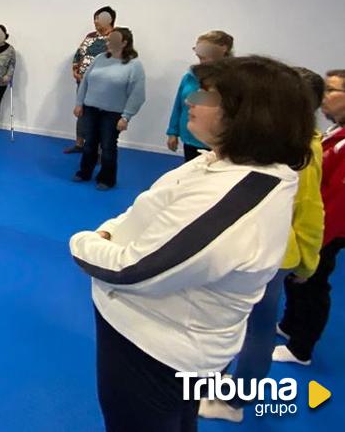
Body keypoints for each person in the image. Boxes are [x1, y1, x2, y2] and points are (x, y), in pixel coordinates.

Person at [70, 56, 314, 432]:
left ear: (246, 115)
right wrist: (112, 231)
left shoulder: (234, 198)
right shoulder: (218, 163)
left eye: (206, 96)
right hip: (159, 335)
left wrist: (83, 241)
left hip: (157, 349)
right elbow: (146, 211)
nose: (190, 101)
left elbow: (132, 268)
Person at [199, 66, 324, 423]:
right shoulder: (272, 144)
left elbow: (311, 211)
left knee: (256, 326)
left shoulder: (303, 151)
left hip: (271, 254)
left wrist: (308, 263)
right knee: (240, 320)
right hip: (246, 247)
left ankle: (233, 402)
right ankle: (217, 384)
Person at [275, 68, 345, 366]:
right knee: (295, 282)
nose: (323, 98)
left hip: (327, 229)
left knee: (313, 284)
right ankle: (290, 325)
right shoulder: (334, 132)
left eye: (331, 91)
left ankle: (301, 348)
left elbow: (335, 200)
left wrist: (313, 244)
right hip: (314, 224)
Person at [73, 27, 145, 190]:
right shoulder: (99, 58)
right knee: (89, 143)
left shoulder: (134, 66)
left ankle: (106, 179)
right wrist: (79, 103)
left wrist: (126, 117)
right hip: (90, 108)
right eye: (107, 40)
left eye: (112, 40)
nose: (108, 43)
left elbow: (137, 95)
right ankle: (85, 172)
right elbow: (85, 82)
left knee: (108, 146)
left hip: (113, 114)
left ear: (124, 43)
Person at [167, 31, 234, 161]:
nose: (199, 54)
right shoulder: (190, 76)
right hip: (190, 139)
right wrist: (172, 132)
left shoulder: (232, 79)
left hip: (216, 143)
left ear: (223, 49)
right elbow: (179, 105)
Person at [65, 6, 116, 154]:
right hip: (82, 82)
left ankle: (100, 150)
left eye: (98, 18)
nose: (95, 21)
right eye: (95, 18)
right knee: (81, 112)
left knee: (100, 117)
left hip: (102, 86)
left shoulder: (116, 37)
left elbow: (117, 61)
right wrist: (75, 69)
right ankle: (80, 144)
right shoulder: (90, 36)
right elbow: (79, 53)